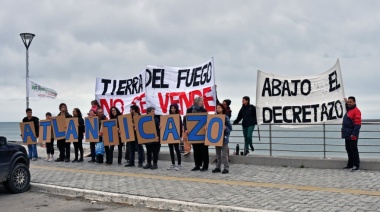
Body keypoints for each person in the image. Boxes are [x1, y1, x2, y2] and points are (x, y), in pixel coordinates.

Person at [184, 96, 209, 172]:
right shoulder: (189, 110)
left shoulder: (204, 110)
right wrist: (186, 129)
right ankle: (197, 165)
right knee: (196, 149)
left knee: (204, 150)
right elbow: (185, 120)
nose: (203, 103)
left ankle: (205, 166)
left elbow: (207, 121)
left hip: (202, 134)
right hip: (193, 134)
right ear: (197, 102)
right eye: (202, 101)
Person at [342, 96, 362, 171]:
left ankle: (356, 165)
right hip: (347, 134)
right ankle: (350, 164)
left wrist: (354, 134)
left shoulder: (356, 111)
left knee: (353, 149)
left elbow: (358, 124)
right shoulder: (349, 110)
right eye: (348, 102)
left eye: (351, 102)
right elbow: (347, 107)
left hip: (352, 134)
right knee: (348, 149)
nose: (349, 103)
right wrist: (345, 102)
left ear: (354, 102)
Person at [212, 103, 233, 174]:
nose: (217, 109)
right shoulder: (214, 117)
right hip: (217, 137)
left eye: (219, 107)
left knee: (224, 154)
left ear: (222, 109)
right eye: (216, 108)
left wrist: (225, 128)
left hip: (224, 138)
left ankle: (226, 168)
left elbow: (230, 128)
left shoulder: (225, 117)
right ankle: (218, 167)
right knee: (218, 154)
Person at [167, 104, 182, 171]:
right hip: (170, 135)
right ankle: (173, 163)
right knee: (171, 150)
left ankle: (179, 164)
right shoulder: (168, 116)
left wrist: (180, 136)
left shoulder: (178, 117)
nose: (173, 109)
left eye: (174, 108)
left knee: (177, 149)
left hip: (176, 135)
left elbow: (180, 126)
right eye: (172, 108)